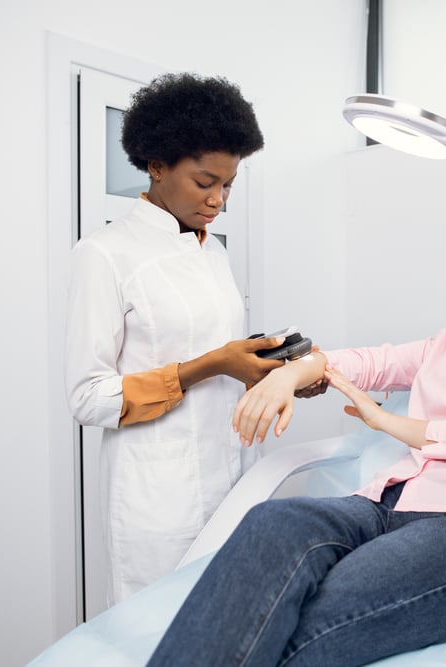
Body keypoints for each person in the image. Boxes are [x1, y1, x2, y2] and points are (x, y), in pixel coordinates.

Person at [146, 214, 446, 666]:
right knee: (274, 521)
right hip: (385, 504)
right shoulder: (445, 346)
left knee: (313, 616)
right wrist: (290, 376)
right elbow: (363, 363)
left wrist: (380, 419)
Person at [65, 72, 296, 604]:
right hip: (157, 496)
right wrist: (210, 365)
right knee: (159, 636)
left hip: (233, 476)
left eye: (228, 184)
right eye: (204, 181)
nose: (218, 199)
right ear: (157, 165)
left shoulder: (211, 251)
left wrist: (270, 370)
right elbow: (87, 396)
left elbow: (224, 358)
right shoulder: (104, 255)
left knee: (230, 628)